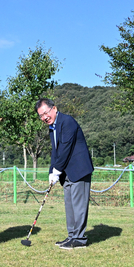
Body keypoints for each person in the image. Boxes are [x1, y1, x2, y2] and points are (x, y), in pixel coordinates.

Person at [35, 98, 94, 250]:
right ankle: (72, 236)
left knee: (78, 206)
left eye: (45, 113)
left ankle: (79, 239)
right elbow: (55, 152)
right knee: (70, 205)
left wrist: (57, 170)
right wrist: (51, 172)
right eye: (41, 116)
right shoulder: (52, 127)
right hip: (66, 172)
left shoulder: (67, 122)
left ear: (54, 108)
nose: (44, 118)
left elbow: (66, 148)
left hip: (78, 170)